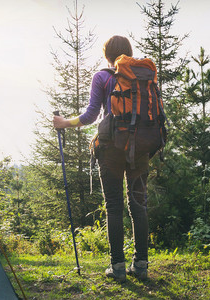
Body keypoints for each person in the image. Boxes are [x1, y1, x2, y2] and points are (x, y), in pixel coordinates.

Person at [53, 35, 155, 283]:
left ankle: (117, 266)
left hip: (111, 148)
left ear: (107, 55)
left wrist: (65, 123)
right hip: (140, 147)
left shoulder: (102, 77)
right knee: (138, 204)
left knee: (113, 205)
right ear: (128, 53)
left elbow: (90, 116)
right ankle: (141, 263)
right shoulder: (142, 76)